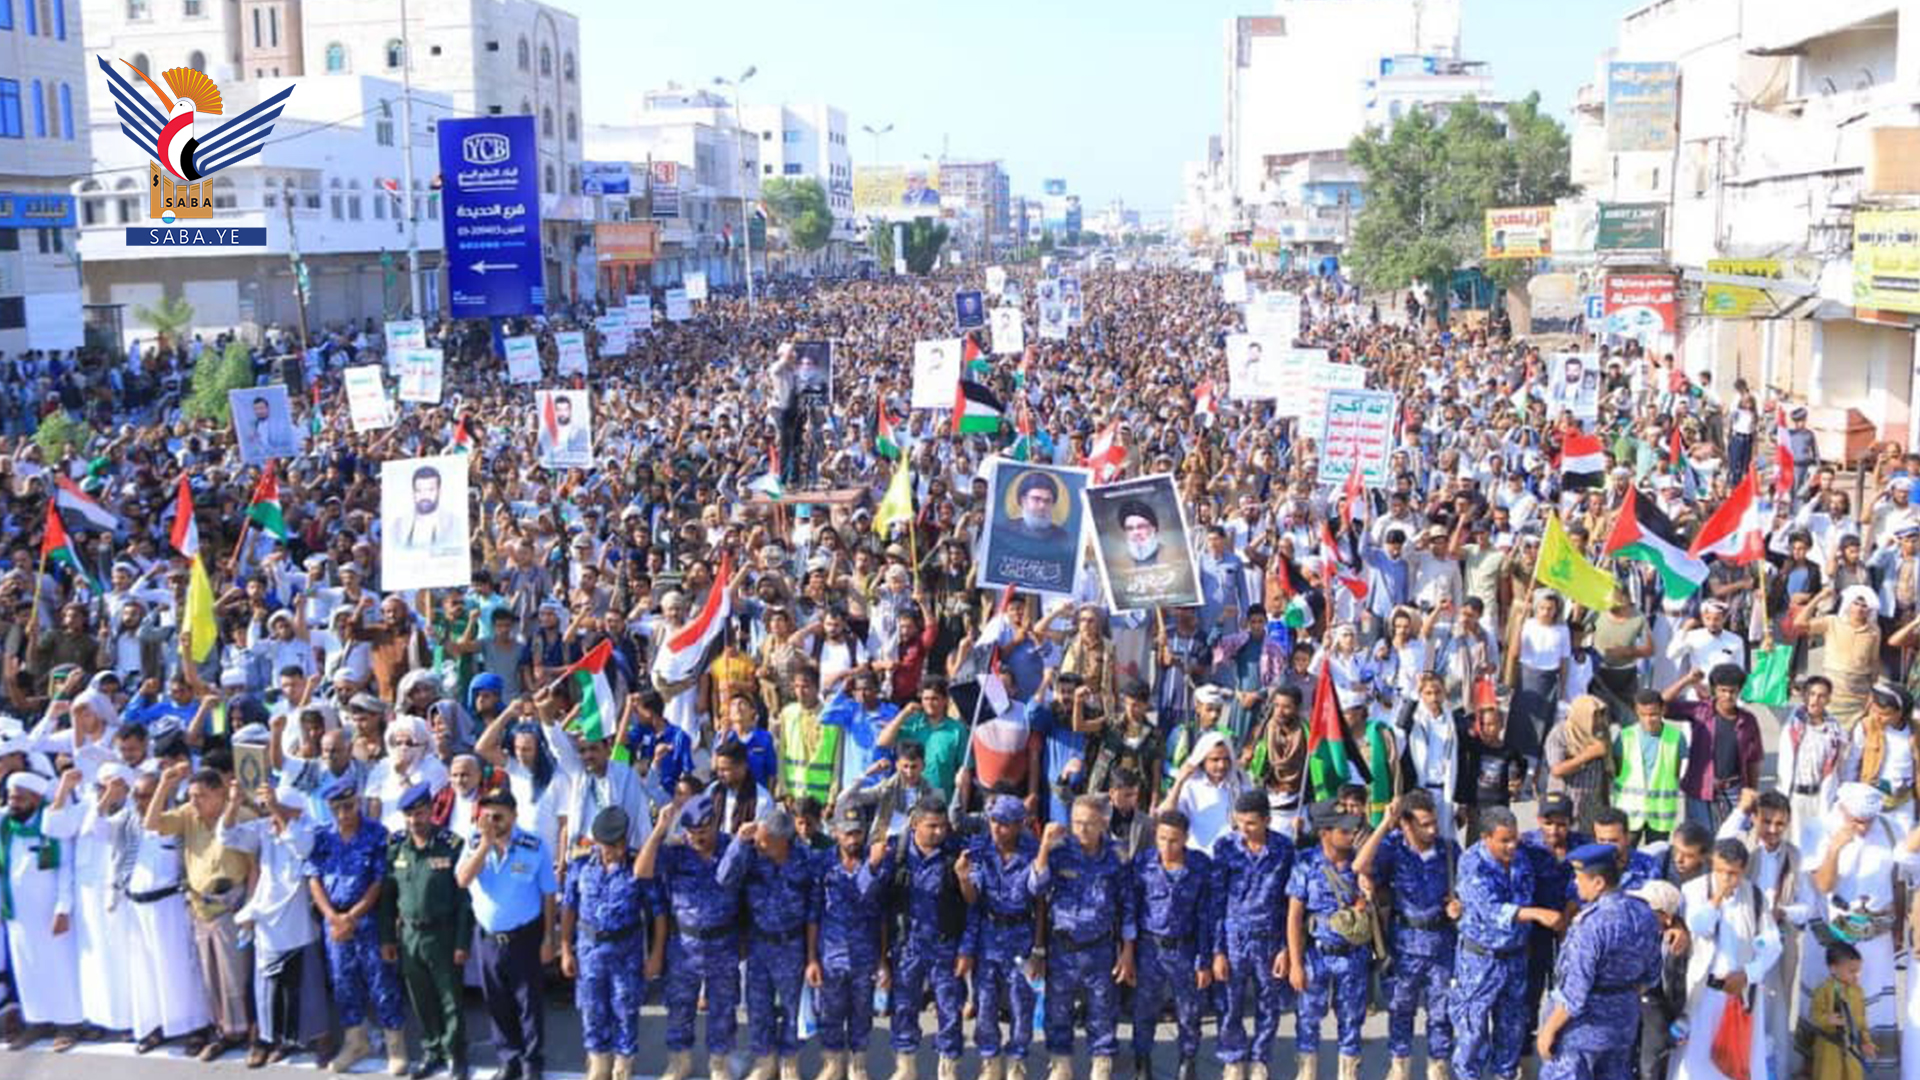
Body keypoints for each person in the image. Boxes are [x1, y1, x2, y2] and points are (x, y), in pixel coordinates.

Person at [146, 762, 258, 1062]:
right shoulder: (188, 815)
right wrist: (164, 785)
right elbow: (152, 824)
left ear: (220, 793)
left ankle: (252, 1036)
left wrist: (250, 908)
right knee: (211, 977)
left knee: (237, 976)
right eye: (191, 795)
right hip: (199, 907)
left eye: (202, 796)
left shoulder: (242, 818)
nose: (194, 801)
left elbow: (254, 868)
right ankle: (224, 1032)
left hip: (232, 906)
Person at [218, 777, 327, 1069]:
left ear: (296, 811)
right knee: (268, 988)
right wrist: (233, 803)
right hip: (267, 920)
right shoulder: (263, 829)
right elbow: (226, 836)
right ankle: (272, 1040)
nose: (271, 814)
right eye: (269, 808)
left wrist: (278, 809)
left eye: (278, 808)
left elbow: (302, 847)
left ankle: (313, 1040)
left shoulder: (309, 828)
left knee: (304, 986)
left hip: (297, 921)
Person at [634, 790, 743, 1080]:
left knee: (723, 1010)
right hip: (684, 946)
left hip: (723, 944)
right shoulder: (676, 850)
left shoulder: (732, 847)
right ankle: (679, 1062)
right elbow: (641, 872)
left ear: (715, 822)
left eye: (702, 832)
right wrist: (659, 831)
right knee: (680, 1008)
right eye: (692, 832)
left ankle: (719, 1065)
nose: (697, 838)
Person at [306, 775, 409, 1076]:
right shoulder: (322, 836)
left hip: (368, 918)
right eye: (337, 808)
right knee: (343, 982)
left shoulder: (376, 833)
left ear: (359, 802)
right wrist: (332, 917)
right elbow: (313, 878)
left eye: (349, 806)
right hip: (334, 921)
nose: (343, 814)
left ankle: (395, 1045)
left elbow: (379, 881)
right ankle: (356, 1041)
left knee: (382, 982)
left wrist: (351, 917)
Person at [1534, 841, 1663, 1080]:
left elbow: (1575, 993)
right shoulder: (1644, 913)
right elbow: (1652, 974)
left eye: (1579, 877)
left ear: (1598, 883)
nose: (1575, 883)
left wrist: (1548, 1030)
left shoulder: (1591, 925)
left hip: (1582, 1032)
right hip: (1623, 1025)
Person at [1452, 805, 1562, 1080]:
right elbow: (1490, 910)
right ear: (1486, 837)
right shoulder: (1472, 863)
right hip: (1481, 961)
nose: (1512, 845)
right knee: (1472, 1033)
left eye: (1515, 838)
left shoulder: (1522, 856)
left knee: (1512, 1030)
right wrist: (1536, 913)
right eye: (1504, 840)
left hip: (1515, 959)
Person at [1354, 791, 1458, 1080]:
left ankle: (1438, 1068)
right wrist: (1384, 825)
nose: (1433, 830)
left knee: (1442, 1013)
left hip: (1441, 944)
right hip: (1404, 946)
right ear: (1406, 824)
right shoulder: (1392, 848)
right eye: (1425, 824)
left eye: (1434, 822)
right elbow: (1359, 866)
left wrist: (1458, 906)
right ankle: (1399, 1067)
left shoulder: (1449, 850)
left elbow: (1465, 888)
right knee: (1401, 1010)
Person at [1030, 795, 1135, 1080]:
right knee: (1058, 1010)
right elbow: (1037, 888)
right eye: (1076, 822)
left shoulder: (1117, 855)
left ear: (1103, 822)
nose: (1082, 829)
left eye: (1088, 823)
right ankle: (1060, 1064)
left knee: (1103, 1010)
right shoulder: (1059, 850)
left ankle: (1101, 1063)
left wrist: (1127, 950)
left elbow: (1127, 905)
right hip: (1063, 947)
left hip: (1100, 948)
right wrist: (1044, 847)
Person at [455, 789, 557, 1080]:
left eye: (498, 817)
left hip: (524, 937)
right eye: (486, 816)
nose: (492, 822)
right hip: (488, 938)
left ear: (514, 816)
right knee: (496, 1002)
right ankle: (509, 1058)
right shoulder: (474, 842)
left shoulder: (534, 845)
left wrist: (549, 937)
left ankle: (531, 1063)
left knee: (529, 1004)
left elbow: (549, 894)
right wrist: (484, 846)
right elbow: (462, 879)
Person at [717, 809, 820, 1080]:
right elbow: (724, 879)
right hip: (759, 944)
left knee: (792, 1008)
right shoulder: (751, 854)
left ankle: (789, 1061)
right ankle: (765, 1060)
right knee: (758, 1007)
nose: (759, 844)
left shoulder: (806, 860)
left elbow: (814, 911)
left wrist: (812, 957)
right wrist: (739, 842)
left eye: (764, 840)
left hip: (791, 945)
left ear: (781, 840)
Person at [382, 781, 474, 1080]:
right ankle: (433, 1050)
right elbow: (387, 897)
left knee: (450, 999)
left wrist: (462, 942)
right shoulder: (396, 847)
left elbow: (464, 900)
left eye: (420, 813)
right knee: (421, 998)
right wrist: (387, 938)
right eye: (409, 815)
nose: (414, 820)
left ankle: (455, 1053)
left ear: (431, 811)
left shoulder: (451, 845)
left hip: (443, 933)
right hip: (410, 935)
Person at [877, 795, 973, 1080]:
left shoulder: (956, 853)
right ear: (915, 824)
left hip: (945, 946)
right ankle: (906, 1067)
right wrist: (881, 957)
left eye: (943, 826)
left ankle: (948, 1068)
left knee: (950, 1010)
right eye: (932, 826)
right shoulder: (896, 854)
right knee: (904, 1008)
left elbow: (972, 904)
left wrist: (964, 877)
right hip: (907, 946)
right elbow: (878, 903)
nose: (939, 832)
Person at [559, 806, 653, 1080]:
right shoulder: (580, 864)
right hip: (590, 950)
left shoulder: (637, 865)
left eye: (621, 844)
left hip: (627, 952)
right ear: (598, 842)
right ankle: (598, 1064)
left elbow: (658, 912)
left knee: (626, 1010)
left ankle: (623, 1065)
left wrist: (656, 953)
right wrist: (565, 949)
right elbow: (569, 907)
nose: (617, 851)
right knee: (592, 1009)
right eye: (610, 846)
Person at [955, 793, 1040, 1080]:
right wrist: (964, 878)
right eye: (993, 821)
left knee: (1021, 1005)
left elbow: (1041, 902)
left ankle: (1016, 1062)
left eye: (1004, 824)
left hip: (1021, 937)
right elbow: (973, 900)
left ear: (1019, 825)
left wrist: (1039, 949)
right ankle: (990, 1062)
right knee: (985, 1004)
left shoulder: (1032, 851)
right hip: (988, 938)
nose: (997, 828)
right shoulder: (980, 850)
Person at [1211, 787, 1294, 1080]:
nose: (1244, 829)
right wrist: (1218, 951)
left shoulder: (1284, 849)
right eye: (1239, 822)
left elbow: (1290, 903)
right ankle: (1233, 1058)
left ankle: (1260, 1058)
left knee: (1268, 1004)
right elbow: (1216, 902)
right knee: (1229, 1003)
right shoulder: (1226, 847)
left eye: (1251, 823)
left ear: (1267, 820)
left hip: (1270, 938)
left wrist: (1286, 948)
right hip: (1234, 938)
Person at [1287, 799, 1373, 1080]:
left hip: (1353, 955)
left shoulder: (1360, 862)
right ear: (1324, 832)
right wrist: (1295, 964)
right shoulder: (1306, 862)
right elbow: (1294, 917)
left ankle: (1348, 1074)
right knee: (1308, 1021)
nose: (1350, 835)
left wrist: (1368, 897)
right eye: (1343, 831)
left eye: (1352, 830)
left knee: (1351, 1021)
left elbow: (1383, 896)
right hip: (1317, 955)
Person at [1, 769, 83, 1051]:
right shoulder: (6, 825)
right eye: (10, 797)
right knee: (27, 967)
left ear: (36, 799)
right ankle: (37, 1021)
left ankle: (68, 1024)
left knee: (59, 966)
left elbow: (65, 868)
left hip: (51, 912)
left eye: (19, 798)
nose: (13, 803)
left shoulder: (52, 825)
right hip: (17, 912)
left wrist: (63, 908)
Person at [1129, 809, 1213, 1080]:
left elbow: (1205, 916)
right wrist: (1127, 952)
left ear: (1186, 838)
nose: (1167, 846)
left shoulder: (1199, 866)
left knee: (1189, 1012)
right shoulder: (1143, 863)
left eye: (1174, 840)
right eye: (1162, 838)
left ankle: (1187, 1063)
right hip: (1149, 948)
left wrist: (1204, 961)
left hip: (1185, 949)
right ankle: (1142, 1063)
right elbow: (1131, 908)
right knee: (1144, 1010)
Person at [814, 806, 887, 1080]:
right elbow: (813, 913)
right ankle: (832, 1064)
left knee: (861, 1012)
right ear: (835, 833)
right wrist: (811, 957)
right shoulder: (823, 863)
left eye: (857, 833)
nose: (853, 839)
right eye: (847, 833)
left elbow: (880, 913)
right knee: (829, 1012)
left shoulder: (877, 862)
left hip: (864, 954)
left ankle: (858, 1064)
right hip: (831, 954)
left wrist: (883, 959)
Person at [1612, 688, 1689, 846]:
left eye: (1653, 714)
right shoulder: (1625, 736)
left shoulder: (1676, 737)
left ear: (1663, 710)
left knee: (1656, 856)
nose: (1648, 720)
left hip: (1660, 814)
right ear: (1636, 711)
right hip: (1630, 813)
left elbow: (1675, 772)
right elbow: (1618, 770)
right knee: (1624, 855)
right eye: (1643, 715)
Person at [1807, 942, 1872, 1080]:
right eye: (1852, 971)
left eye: (1859, 971)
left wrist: (1866, 1042)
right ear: (1833, 969)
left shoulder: (1858, 991)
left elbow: (1862, 1021)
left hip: (1852, 1048)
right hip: (1829, 1048)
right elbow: (1814, 1015)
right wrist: (1827, 1019)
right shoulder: (1824, 990)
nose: (1857, 975)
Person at [390, 465, 461, 555]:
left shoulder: (455, 524)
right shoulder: (397, 527)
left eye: (430, 490)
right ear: (413, 492)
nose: (424, 496)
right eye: (419, 490)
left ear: (439, 491)